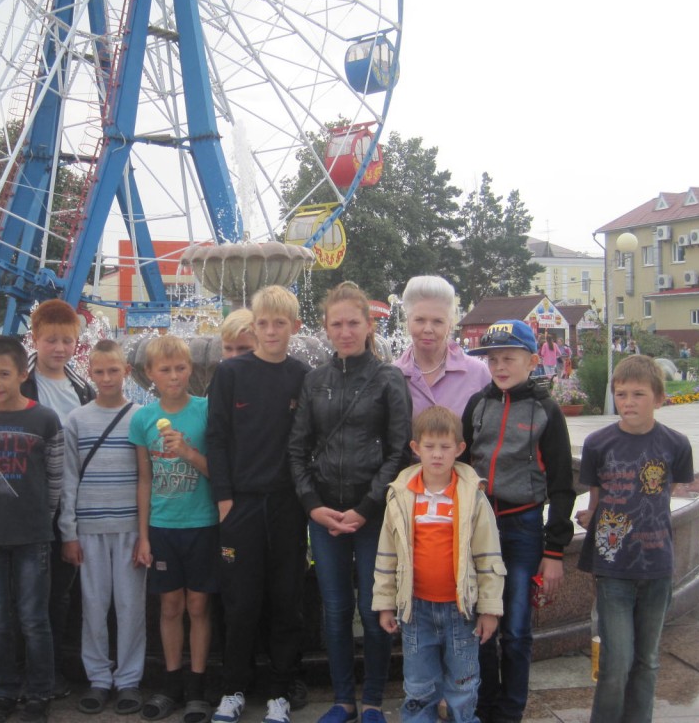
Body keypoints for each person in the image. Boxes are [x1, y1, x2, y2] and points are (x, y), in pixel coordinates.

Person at [288, 282, 412, 723]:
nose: (345, 332)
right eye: (337, 324)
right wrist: (311, 505)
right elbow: (298, 448)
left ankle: (373, 699)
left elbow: (399, 451)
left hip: (373, 515)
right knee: (336, 608)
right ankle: (343, 700)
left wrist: (366, 507)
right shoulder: (314, 380)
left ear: (369, 325)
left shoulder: (388, 378)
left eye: (353, 323)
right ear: (325, 327)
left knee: (374, 608)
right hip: (324, 514)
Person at [461, 320, 575, 723]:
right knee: (480, 625)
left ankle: (510, 712)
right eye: (493, 359)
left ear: (532, 360)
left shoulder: (546, 411)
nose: (499, 367)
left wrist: (554, 550)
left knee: (516, 629)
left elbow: (562, 485)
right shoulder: (477, 405)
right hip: (480, 529)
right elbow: (461, 468)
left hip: (522, 528)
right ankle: (484, 706)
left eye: (509, 358)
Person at [207, 286, 311, 723]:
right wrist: (224, 499)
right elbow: (216, 438)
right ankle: (233, 687)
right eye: (263, 324)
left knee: (286, 599)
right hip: (242, 505)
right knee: (240, 601)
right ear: (253, 327)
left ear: (294, 327)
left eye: (279, 323)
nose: (270, 331)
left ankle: (279, 692)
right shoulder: (231, 373)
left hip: (287, 506)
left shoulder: (302, 375)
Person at [575, 356, 693, 723]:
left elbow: (668, 493)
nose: (628, 402)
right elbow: (595, 499)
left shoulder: (676, 444)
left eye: (638, 394)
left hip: (657, 566)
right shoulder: (598, 443)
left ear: (658, 398)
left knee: (647, 660)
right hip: (613, 568)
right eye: (621, 394)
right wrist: (591, 516)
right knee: (616, 660)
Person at [373, 406, 505, 723]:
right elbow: (387, 555)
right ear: (415, 448)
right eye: (429, 446)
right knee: (419, 687)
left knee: (463, 686)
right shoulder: (400, 497)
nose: (436, 454)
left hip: (461, 611)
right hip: (416, 610)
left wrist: (489, 609)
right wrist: (385, 604)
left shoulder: (472, 497)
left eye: (445, 447)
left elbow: (488, 556)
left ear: (459, 449)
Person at [0, 336, 64, 723]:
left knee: (34, 619)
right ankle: (5, 691)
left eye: (4, 374)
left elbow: (55, 480)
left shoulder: (45, 420)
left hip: (32, 535)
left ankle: (40, 693)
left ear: (23, 374)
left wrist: (41, 518)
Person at [129, 335, 217, 723]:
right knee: (170, 606)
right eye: (165, 370)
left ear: (190, 369)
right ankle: (171, 683)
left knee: (198, 605)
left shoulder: (206, 411)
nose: (174, 376)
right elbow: (144, 479)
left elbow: (219, 472)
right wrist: (144, 536)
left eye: (180, 368)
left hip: (202, 524)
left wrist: (187, 452)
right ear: (150, 373)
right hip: (163, 526)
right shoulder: (143, 419)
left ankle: (197, 687)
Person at [60, 339, 146, 716]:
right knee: (93, 606)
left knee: (131, 607)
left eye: (114, 370)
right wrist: (69, 532)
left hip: (130, 527)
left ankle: (128, 680)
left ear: (127, 371)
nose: (107, 377)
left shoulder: (141, 417)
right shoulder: (76, 420)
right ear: (90, 373)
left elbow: (147, 477)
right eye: (99, 371)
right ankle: (97, 677)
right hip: (90, 528)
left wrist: (146, 534)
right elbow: (68, 479)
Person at [20, 299, 95, 700]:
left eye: (67, 340)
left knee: (62, 592)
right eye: (51, 340)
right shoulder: (21, 385)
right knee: (31, 592)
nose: (60, 348)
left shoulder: (83, 388)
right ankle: (31, 671)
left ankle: (55, 667)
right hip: (30, 503)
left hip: (71, 504)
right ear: (34, 338)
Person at [393, 276, 490, 418]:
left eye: (437, 321)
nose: (428, 329)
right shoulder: (393, 376)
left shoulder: (478, 374)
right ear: (408, 322)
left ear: (450, 324)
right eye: (420, 320)